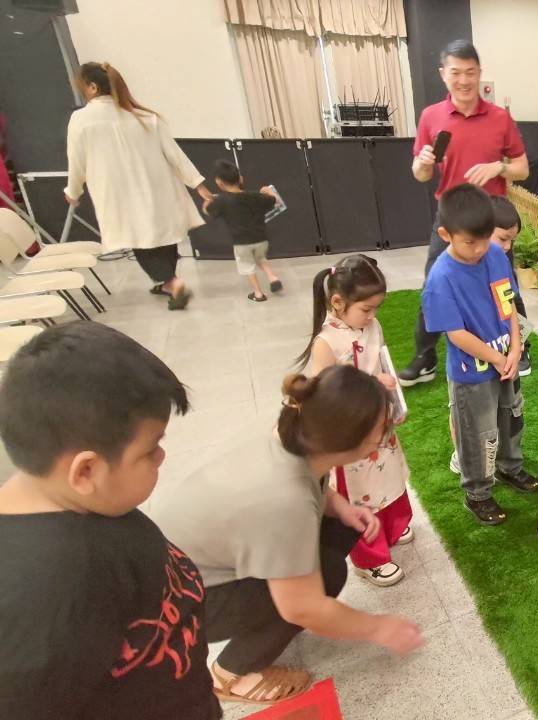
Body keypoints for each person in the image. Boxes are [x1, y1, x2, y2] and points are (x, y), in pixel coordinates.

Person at [146, 367, 424, 705]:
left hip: (184, 562)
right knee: (326, 576)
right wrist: (379, 628)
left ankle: (269, 617)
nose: (385, 436)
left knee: (341, 530)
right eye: (380, 431)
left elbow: (309, 480)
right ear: (347, 441)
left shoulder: (295, 424)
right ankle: (229, 674)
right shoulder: (285, 500)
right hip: (183, 603)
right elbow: (304, 608)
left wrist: (340, 507)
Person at [0, 322, 220, 720]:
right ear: (85, 471)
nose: (161, 457)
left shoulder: (88, 501)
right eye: (150, 449)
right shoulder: (46, 598)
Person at [399, 39, 530, 387]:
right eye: (456, 72)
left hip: (492, 221)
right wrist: (423, 164)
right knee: (434, 284)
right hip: (451, 219)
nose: (464, 80)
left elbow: (522, 168)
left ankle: (520, 347)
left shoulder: (500, 118)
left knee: (505, 285)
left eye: (470, 72)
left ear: (479, 73)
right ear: (443, 74)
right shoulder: (431, 117)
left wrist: (498, 167)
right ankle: (425, 357)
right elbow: (421, 174)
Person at [297, 254, 413, 587]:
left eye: (376, 308)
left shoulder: (371, 325)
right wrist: (373, 383)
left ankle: (392, 526)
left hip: (378, 421)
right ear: (337, 302)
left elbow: (382, 362)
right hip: (350, 432)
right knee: (359, 492)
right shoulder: (326, 342)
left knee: (388, 475)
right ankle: (369, 558)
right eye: (366, 309)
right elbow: (326, 393)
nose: (372, 316)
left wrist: (393, 402)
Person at [425, 184, 537, 525]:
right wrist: (497, 357)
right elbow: (456, 334)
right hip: (471, 373)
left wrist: (515, 348)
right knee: (478, 434)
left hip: (506, 361)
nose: (478, 250)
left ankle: (510, 467)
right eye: (469, 242)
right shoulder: (440, 278)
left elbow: (508, 305)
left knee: (512, 416)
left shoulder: (495, 256)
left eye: (484, 240)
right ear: (446, 235)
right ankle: (478, 493)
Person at [65, 62, 209, 309]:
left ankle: (172, 282)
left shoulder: (81, 119)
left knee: (139, 237)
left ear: (92, 86)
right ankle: (168, 281)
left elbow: (76, 161)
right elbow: (175, 154)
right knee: (163, 234)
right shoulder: (144, 116)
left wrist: (73, 191)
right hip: (158, 186)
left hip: (118, 192)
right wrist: (198, 184)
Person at [205, 159, 283, 302]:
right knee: (260, 258)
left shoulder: (221, 201)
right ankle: (272, 277)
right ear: (240, 179)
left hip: (241, 243)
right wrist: (267, 190)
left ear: (219, 182)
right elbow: (275, 200)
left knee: (248, 266)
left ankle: (258, 293)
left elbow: (207, 210)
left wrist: (209, 201)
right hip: (261, 239)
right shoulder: (256, 196)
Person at [491, 196, 532, 376]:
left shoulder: (502, 261)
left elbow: (510, 302)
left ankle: (523, 349)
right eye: (503, 239)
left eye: (512, 241)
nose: (508, 247)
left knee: (513, 298)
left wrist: (517, 345)